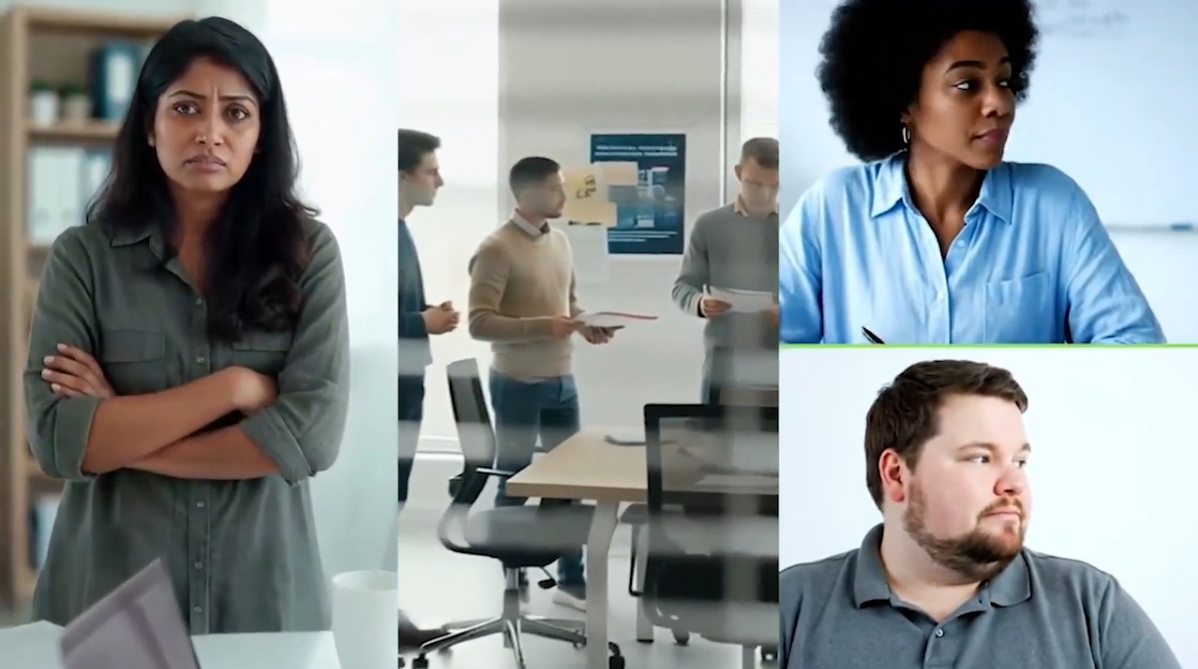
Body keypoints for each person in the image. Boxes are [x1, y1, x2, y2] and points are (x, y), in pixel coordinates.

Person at [25, 17, 350, 633]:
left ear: (262, 134)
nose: (210, 133)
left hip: (264, 600)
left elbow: (310, 439)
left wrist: (125, 434)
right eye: (185, 108)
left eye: (236, 113)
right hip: (109, 603)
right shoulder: (83, 258)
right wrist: (232, 388)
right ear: (150, 125)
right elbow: (59, 441)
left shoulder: (310, 253)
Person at [779, 0, 1163, 344]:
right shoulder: (833, 208)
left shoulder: (1054, 205)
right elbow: (778, 348)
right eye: (967, 84)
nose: (999, 103)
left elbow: (1134, 343)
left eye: (1005, 81)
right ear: (903, 101)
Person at [778, 359, 1181, 668]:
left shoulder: (1089, 604)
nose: (1014, 484)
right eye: (980, 457)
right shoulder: (791, 605)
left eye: (1019, 462)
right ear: (897, 474)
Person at [467, 156, 614, 611]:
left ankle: (571, 580)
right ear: (527, 194)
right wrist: (543, 326)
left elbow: (567, 306)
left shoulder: (563, 242)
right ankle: (511, 577)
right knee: (514, 479)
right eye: (555, 189)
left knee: (568, 483)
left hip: (562, 381)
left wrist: (586, 326)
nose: (564, 197)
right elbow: (479, 324)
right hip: (516, 383)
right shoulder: (495, 249)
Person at [396, 128, 457, 648]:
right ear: (401, 176)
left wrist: (425, 317)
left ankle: (387, 604)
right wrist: (424, 322)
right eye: (431, 169)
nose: (440, 178)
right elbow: (367, 319)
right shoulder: (380, 234)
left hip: (407, 383)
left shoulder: (403, 230)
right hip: (386, 391)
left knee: (394, 497)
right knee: (385, 498)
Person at [672, 137, 779, 400]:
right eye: (754, 184)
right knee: (715, 436)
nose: (764, 194)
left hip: (780, 359)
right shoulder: (709, 225)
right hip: (724, 359)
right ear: (738, 173)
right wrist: (699, 302)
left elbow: (822, 295)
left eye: (774, 186)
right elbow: (682, 287)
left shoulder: (797, 225)